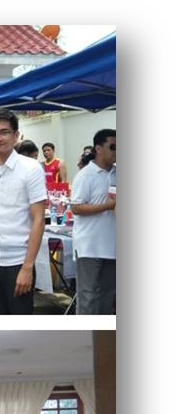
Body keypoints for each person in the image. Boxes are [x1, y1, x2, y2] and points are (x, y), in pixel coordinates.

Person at [0, 109, 47, 314]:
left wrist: (27, 267)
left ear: (16, 135)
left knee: (20, 325)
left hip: (18, 261)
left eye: (5, 132)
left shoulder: (31, 168)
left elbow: (38, 220)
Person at [70, 129, 116, 315]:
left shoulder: (117, 173)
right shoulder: (86, 174)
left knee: (107, 296)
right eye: (112, 146)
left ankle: (102, 338)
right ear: (98, 148)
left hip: (113, 245)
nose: (116, 151)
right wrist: (108, 206)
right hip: (89, 246)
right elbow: (76, 207)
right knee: (87, 296)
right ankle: (85, 337)